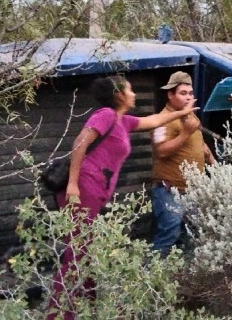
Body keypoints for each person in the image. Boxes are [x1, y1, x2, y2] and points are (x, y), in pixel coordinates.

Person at [47, 75, 198, 320]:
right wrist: (73, 184)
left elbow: (154, 119)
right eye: (130, 89)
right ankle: (59, 315)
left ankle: (88, 307)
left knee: (87, 250)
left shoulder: (123, 121)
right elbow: (79, 144)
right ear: (119, 94)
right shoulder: (105, 115)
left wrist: (183, 113)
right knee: (76, 254)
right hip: (82, 189)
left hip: (95, 192)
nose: (135, 94)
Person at [150, 71, 215, 257]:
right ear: (170, 95)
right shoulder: (163, 119)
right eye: (183, 93)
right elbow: (161, 151)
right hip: (170, 190)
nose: (188, 97)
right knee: (168, 237)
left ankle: (185, 282)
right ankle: (147, 280)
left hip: (193, 189)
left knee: (194, 237)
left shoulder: (191, 117)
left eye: (190, 93)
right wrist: (185, 133)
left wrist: (214, 164)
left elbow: (200, 144)